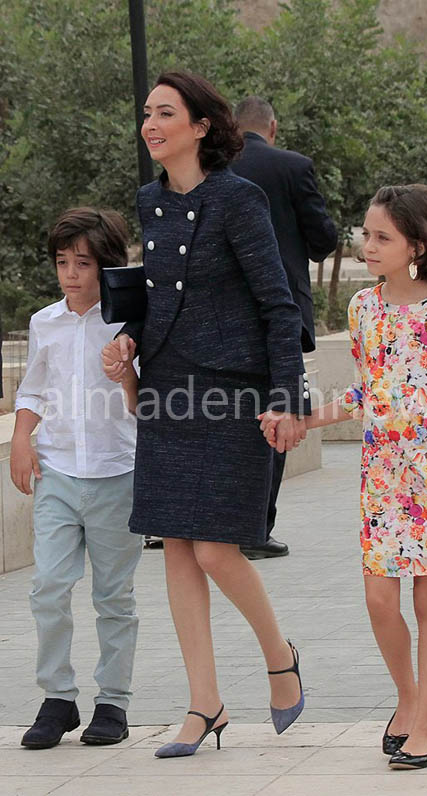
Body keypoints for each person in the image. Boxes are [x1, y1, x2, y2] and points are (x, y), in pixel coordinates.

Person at [102, 70, 310, 759]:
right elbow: (157, 298)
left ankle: (279, 656)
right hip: (167, 389)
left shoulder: (239, 199)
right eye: (146, 113)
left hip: (233, 393)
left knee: (218, 547)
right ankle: (204, 703)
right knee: (176, 547)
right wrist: (129, 339)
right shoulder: (150, 201)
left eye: (165, 113)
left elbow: (278, 304)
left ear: (199, 126)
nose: (150, 124)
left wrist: (286, 397)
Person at [260, 184, 427, 770]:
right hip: (382, 478)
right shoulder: (363, 308)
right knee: (378, 598)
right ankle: (407, 699)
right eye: (366, 234)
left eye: (382, 237)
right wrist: (303, 420)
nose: (368, 245)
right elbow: (367, 392)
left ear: (416, 245)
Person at [10, 208, 142, 749]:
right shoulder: (44, 322)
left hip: (118, 473)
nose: (70, 273)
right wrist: (21, 439)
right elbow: (32, 389)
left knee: (113, 597)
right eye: (62, 262)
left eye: (82, 263)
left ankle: (113, 702)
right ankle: (58, 698)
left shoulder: (128, 326)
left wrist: (126, 374)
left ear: (105, 266)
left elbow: (144, 404)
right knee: (48, 587)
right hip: (57, 472)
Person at [233, 96, 338, 560]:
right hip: (281, 310)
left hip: (222, 314)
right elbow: (323, 240)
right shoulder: (293, 167)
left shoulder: (210, 168)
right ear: (272, 128)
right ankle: (256, 530)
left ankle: (208, 523)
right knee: (279, 410)